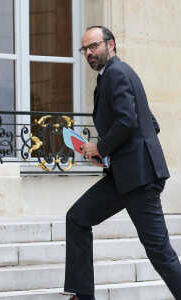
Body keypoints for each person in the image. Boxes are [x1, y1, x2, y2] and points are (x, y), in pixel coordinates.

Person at [64, 26, 181, 300]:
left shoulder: (116, 73)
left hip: (140, 179)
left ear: (110, 44)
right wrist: (106, 155)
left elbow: (128, 122)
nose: (89, 53)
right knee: (78, 218)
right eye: (85, 50)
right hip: (123, 176)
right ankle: (83, 295)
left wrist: (100, 146)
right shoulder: (113, 75)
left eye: (94, 46)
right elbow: (150, 124)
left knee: (159, 250)